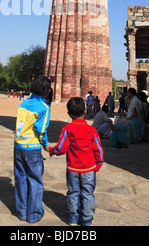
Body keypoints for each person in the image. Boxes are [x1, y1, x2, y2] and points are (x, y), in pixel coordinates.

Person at [49, 97, 104, 226]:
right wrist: (98, 164)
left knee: (73, 192)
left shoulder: (68, 128)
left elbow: (62, 147)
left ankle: (73, 218)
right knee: (88, 193)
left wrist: (52, 151)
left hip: (73, 168)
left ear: (68, 114)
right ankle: (86, 219)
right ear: (85, 111)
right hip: (89, 168)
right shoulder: (91, 130)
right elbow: (98, 149)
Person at [14, 75, 51, 224]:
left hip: (18, 146)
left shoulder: (23, 103)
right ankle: (34, 214)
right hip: (33, 148)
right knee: (35, 180)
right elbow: (40, 129)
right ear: (47, 91)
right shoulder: (44, 107)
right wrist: (46, 144)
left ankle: (22, 212)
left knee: (21, 179)